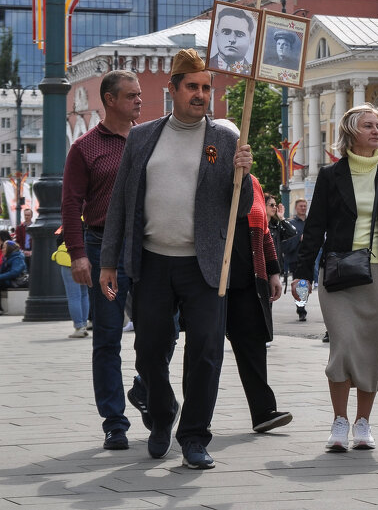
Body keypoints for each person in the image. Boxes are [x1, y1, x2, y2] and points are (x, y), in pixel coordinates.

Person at [99, 49, 253, 470]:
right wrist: (109, 260)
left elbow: (240, 210)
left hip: (205, 266)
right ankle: (163, 412)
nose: (201, 94)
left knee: (205, 350)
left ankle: (195, 437)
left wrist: (245, 175)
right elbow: (121, 202)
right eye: (192, 87)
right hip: (151, 262)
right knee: (149, 349)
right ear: (173, 90)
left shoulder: (225, 140)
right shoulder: (143, 137)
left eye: (206, 87)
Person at [291, 103, 378, 452]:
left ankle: (363, 423)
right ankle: (339, 421)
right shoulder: (330, 175)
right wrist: (302, 274)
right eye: (368, 125)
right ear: (351, 132)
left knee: (370, 349)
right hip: (338, 273)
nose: (375, 131)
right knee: (342, 346)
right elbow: (314, 227)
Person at [62, 69, 142, 451]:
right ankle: (114, 422)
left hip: (146, 250)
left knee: (164, 330)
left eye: (139, 94)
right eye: (131, 95)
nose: (139, 100)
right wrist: (79, 255)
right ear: (110, 100)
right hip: (102, 250)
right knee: (108, 337)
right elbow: (70, 204)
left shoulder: (148, 140)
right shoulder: (85, 147)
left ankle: (145, 388)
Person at [227, 174, 292, 432]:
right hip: (211, 280)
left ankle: (263, 411)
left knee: (253, 345)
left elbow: (264, 230)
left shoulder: (253, 182)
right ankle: (196, 419)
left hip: (249, 279)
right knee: (204, 349)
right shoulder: (208, 174)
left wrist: (273, 271)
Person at [52, 227, 90, 339]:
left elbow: (59, 239)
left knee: (74, 296)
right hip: (85, 259)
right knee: (84, 294)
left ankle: (79, 327)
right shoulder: (88, 221)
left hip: (69, 260)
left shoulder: (71, 221)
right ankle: (84, 324)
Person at [285, 198, 311, 319]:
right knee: (300, 284)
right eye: (301, 206)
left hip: (309, 258)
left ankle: (301, 305)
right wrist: (299, 238)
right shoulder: (291, 224)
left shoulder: (310, 223)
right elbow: (286, 243)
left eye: (305, 206)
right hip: (295, 259)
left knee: (306, 284)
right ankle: (301, 309)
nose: (303, 208)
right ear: (296, 208)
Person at [209, 7, 254, 75]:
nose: (232, 39)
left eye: (240, 34)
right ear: (216, 35)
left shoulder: (252, 72)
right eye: (226, 32)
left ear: (250, 40)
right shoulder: (205, 66)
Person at [15, 207, 33, 272]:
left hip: (32, 252)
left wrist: (32, 251)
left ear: (31, 216)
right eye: (25, 215)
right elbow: (17, 241)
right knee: (24, 270)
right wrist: (22, 251)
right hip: (23, 251)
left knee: (31, 270)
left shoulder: (34, 227)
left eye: (28, 215)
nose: (26, 217)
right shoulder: (19, 227)